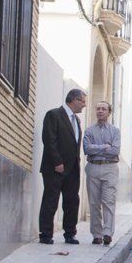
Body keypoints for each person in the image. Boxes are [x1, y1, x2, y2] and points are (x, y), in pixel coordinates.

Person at [39, 89, 86, 245]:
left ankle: (70, 234)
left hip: (72, 169)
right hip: (55, 168)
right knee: (51, 200)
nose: (84, 105)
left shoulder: (77, 121)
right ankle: (45, 234)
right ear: (73, 100)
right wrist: (57, 162)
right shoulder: (53, 115)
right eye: (83, 101)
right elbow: (49, 140)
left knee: (72, 201)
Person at [83, 101, 121, 245]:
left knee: (108, 201)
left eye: (103, 109)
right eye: (98, 108)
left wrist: (96, 148)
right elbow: (87, 149)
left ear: (109, 112)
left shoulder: (115, 131)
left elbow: (115, 150)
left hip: (110, 168)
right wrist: (105, 147)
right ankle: (96, 234)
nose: (100, 111)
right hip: (93, 167)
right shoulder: (89, 131)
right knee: (94, 203)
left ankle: (107, 233)